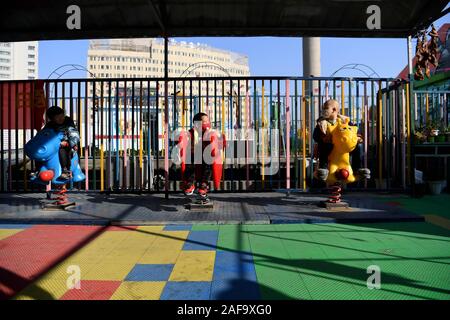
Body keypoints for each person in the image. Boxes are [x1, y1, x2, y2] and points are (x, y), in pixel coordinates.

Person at [313, 99, 369, 181]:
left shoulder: (344, 121)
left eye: (326, 108)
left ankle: (358, 168)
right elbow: (315, 136)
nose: (323, 110)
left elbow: (353, 131)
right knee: (324, 145)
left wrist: (357, 137)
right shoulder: (322, 123)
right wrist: (323, 137)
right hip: (331, 148)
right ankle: (323, 168)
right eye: (323, 108)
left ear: (334, 110)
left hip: (344, 149)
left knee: (359, 146)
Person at [181, 112, 217, 197]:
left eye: (208, 121)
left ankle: (204, 184)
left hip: (205, 157)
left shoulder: (210, 133)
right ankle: (190, 183)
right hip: (194, 156)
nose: (207, 123)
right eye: (205, 122)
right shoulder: (190, 133)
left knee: (208, 162)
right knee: (190, 162)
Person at [41, 106, 80, 180]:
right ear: (52, 119)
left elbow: (74, 134)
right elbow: (43, 134)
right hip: (53, 146)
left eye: (62, 116)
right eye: (57, 117)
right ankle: (38, 169)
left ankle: (65, 171)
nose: (61, 118)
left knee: (62, 149)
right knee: (40, 151)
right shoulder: (50, 125)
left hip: (67, 145)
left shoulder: (68, 123)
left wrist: (71, 142)